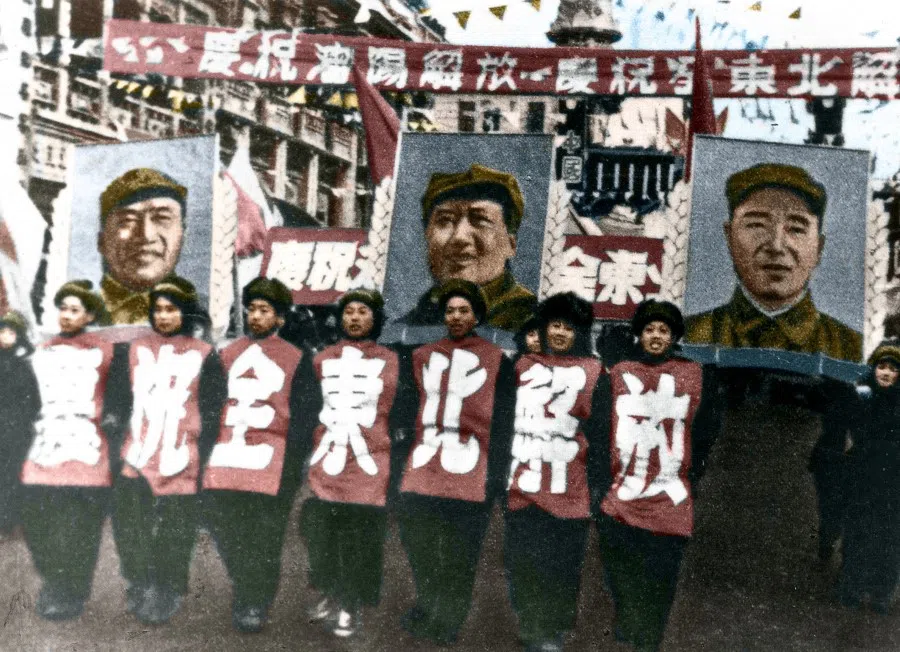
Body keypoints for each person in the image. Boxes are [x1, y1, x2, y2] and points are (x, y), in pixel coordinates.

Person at [595, 299, 722, 652]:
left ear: (674, 337)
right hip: (623, 491)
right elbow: (600, 423)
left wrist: (693, 470)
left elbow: (709, 426)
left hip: (670, 494)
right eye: (649, 329)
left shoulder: (693, 374)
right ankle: (628, 615)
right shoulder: (620, 373)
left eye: (663, 331)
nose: (655, 336)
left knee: (661, 574)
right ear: (639, 334)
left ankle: (650, 635)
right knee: (618, 566)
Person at [396, 279, 516, 646]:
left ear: (477, 315)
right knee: (419, 541)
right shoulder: (421, 355)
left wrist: (496, 474)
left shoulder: (498, 360)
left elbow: (505, 422)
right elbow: (406, 410)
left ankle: (448, 617)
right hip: (425, 463)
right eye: (451, 310)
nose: (457, 316)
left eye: (464, 310)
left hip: (472, 468)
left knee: (460, 552)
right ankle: (430, 601)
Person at [202, 277, 318, 633]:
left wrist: (293, 465)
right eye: (252, 309)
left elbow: (305, 415)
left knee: (264, 537)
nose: (256, 316)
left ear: (280, 318)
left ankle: (254, 601)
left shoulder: (298, 359)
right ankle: (246, 584)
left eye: (264, 310)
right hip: (226, 456)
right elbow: (209, 405)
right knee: (223, 526)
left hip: (273, 459)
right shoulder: (226, 354)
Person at [112, 276, 227, 625]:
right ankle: (139, 580)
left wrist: (203, 455)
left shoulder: (205, 355)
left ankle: (168, 587)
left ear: (185, 313)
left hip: (182, 453)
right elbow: (118, 399)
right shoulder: (132, 350)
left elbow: (213, 407)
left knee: (177, 529)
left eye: (171, 309)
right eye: (158, 309)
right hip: (138, 452)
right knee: (129, 523)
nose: (163, 316)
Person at [20, 281, 127, 620]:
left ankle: (70, 591)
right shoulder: (43, 350)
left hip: (88, 446)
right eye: (63, 308)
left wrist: (113, 418)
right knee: (36, 519)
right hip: (46, 445)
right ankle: (54, 578)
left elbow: (122, 396)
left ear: (91, 314)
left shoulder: (108, 351)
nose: (66, 316)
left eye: (75, 310)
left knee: (80, 526)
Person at [504, 292, 603, 652]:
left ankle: (552, 630)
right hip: (523, 481)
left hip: (569, 486)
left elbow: (602, 432)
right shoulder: (521, 367)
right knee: (522, 560)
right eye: (554, 325)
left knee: (561, 564)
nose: (560, 333)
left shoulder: (593, 372)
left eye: (568, 327)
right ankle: (530, 622)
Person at [684, 163, 862, 362]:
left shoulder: (854, 349)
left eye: (796, 228)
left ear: (819, 247)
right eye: (757, 224)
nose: (776, 246)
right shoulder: (685, 337)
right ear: (729, 237)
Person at [301, 288, 399, 639]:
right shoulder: (322, 358)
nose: (355, 318)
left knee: (360, 539)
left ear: (375, 319)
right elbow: (309, 408)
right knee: (322, 535)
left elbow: (401, 409)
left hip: (370, 460)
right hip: (328, 458)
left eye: (363, 311)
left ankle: (351, 604)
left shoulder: (392, 359)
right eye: (349, 312)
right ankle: (330, 590)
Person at [399, 164, 537, 331]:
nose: (459, 237)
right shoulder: (406, 327)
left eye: (480, 221)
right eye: (445, 221)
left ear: (511, 244)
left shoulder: (535, 322)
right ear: (427, 236)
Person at [837, 341, 900, 614]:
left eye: (893, 369)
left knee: (889, 539)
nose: (885, 373)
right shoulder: (861, 394)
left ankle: (880, 594)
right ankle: (851, 587)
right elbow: (851, 428)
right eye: (881, 366)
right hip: (862, 479)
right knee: (857, 534)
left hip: (894, 482)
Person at [97, 168, 187, 324]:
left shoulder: (197, 310)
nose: (146, 235)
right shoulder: (83, 307)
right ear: (102, 241)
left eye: (162, 218)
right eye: (127, 221)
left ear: (183, 235)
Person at [0, 310, 39, 536]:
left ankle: (16, 519)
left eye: (10, 332)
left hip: (20, 427)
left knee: (18, 471)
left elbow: (34, 399)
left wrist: (30, 420)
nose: (5, 336)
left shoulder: (23, 366)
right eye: (1, 331)